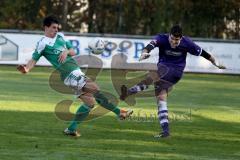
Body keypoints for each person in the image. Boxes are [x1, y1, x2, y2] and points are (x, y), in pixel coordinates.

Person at [17, 15, 133, 137]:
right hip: (69, 74)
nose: (56, 30)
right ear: (46, 27)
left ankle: (71, 129)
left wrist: (66, 51)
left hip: (76, 72)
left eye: (57, 27)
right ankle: (119, 112)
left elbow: (73, 51)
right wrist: (26, 69)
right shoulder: (42, 44)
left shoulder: (60, 37)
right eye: (53, 27)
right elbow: (34, 59)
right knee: (95, 89)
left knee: (89, 103)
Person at [120, 24, 226, 138]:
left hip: (176, 72)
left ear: (181, 38)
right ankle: (165, 131)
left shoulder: (187, 43)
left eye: (177, 40)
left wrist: (216, 63)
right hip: (163, 71)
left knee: (155, 73)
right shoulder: (162, 38)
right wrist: (144, 53)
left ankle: (130, 92)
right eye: (173, 39)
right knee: (161, 98)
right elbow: (150, 45)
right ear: (169, 35)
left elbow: (205, 54)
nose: (174, 42)